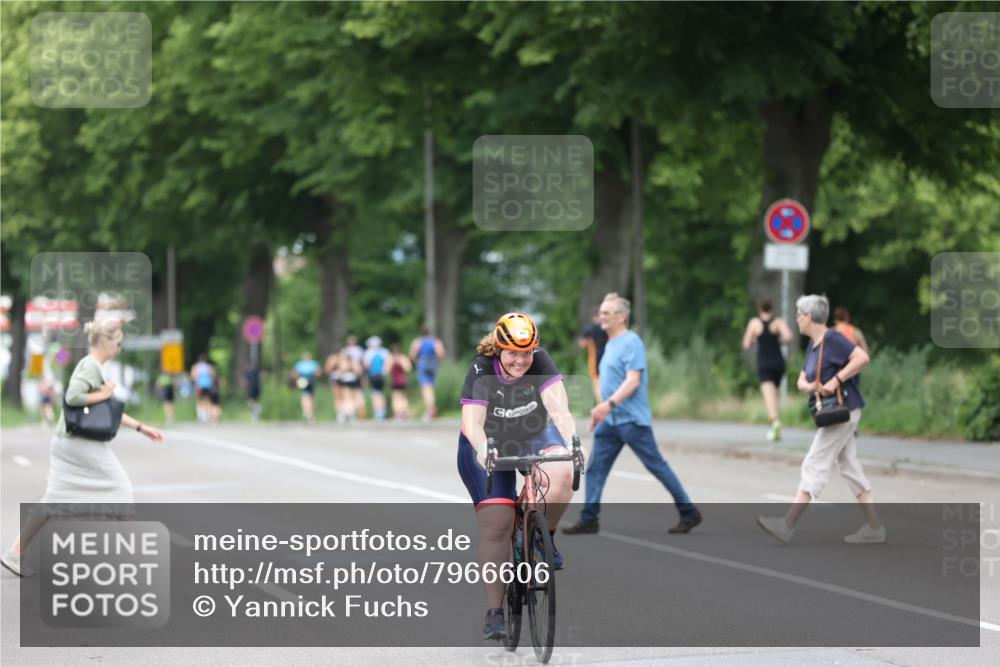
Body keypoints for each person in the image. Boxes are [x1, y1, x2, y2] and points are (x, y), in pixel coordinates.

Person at [1, 319, 164, 577]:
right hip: (80, 444)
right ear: (106, 342)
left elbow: (105, 411)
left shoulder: (93, 367)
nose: (119, 349)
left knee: (53, 500)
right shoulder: (91, 366)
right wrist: (104, 393)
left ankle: (14, 553)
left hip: (66, 442)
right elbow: (72, 397)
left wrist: (141, 427)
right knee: (120, 489)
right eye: (118, 343)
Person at [458, 313, 577, 640]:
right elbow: (473, 425)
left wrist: (572, 442)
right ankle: (495, 611)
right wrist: (485, 451)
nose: (521, 360)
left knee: (563, 471)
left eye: (527, 353)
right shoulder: (481, 368)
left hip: (531, 432)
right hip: (489, 440)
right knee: (497, 521)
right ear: (498, 349)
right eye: (513, 353)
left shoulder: (540, 361)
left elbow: (559, 410)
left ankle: (543, 535)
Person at [563, 292, 702, 536]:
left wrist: (608, 405)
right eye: (602, 312)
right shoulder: (610, 344)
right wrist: (602, 410)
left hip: (631, 421)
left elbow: (633, 381)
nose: (601, 317)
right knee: (595, 468)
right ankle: (589, 518)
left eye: (607, 313)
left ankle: (689, 512)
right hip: (611, 421)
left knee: (656, 466)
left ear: (622, 317)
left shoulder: (631, 342)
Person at [756, 294, 884, 545]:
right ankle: (875, 528)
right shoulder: (813, 346)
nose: (796, 319)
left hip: (843, 411)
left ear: (810, 316)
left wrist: (835, 381)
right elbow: (802, 379)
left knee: (814, 462)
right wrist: (810, 385)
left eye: (799, 314)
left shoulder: (833, 338)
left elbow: (862, 358)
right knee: (849, 467)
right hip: (835, 413)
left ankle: (787, 525)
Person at [742, 298, 794, 441]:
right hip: (778, 362)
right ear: (772, 308)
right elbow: (789, 336)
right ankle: (775, 424)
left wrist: (755, 340)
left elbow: (746, 344)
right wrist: (778, 341)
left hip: (764, 363)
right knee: (774, 395)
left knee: (768, 396)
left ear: (759, 308)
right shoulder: (778, 322)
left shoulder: (754, 323)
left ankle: (775, 423)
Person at [410, 326, 445, 421]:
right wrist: (438, 362)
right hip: (433, 363)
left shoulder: (418, 341)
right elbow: (440, 353)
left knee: (426, 388)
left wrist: (417, 361)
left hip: (423, 362)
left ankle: (430, 410)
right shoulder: (435, 341)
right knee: (431, 387)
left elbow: (412, 354)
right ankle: (432, 409)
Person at [578, 310, 609, 403]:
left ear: (593, 317)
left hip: (595, 357)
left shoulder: (589, 329)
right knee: (607, 379)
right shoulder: (606, 328)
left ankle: (601, 403)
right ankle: (608, 402)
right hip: (607, 356)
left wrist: (589, 342)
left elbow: (582, 344)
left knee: (596, 381)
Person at [331, 347, 363, 423]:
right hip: (345, 381)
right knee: (345, 397)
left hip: (349, 381)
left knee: (348, 397)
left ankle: (349, 413)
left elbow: (358, 371)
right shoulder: (343, 361)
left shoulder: (349, 362)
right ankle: (346, 413)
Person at [362, 336, 391, 421]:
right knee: (381, 393)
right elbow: (388, 365)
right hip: (382, 375)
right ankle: (382, 411)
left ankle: (378, 412)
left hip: (373, 375)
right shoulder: (385, 352)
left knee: (376, 394)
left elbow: (366, 365)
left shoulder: (369, 352)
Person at [291, 351, 321, 423]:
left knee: (311, 396)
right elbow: (294, 373)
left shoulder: (313, 363)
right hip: (303, 379)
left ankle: (311, 412)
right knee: (305, 396)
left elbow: (318, 373)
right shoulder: (299, 364)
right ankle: (306, 412)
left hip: (311, 379)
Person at [343, 335, 367, 419]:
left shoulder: (347, 351)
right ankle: (352, 412)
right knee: (355, 394)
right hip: (354, 375)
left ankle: (353, 412)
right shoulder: (358, 350)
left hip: (352, 375)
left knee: (351, 395)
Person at [190, 354, 217, 424]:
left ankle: (202, 416)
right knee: (208, 400)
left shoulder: (196, 367)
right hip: (208, 385)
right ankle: (208, 416)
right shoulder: (209, 367)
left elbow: (193, 376)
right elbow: (213, 375)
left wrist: (196, 382)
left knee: (200, 400)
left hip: (200, 386)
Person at [388, 343, 412, 420]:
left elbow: (386, 370)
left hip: (396, 380)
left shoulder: (390, 359)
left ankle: (399, 413)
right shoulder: (403, 358)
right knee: (403, 397)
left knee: (396, 397)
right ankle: (403, 412)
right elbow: (409, 369)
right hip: (402, 380)